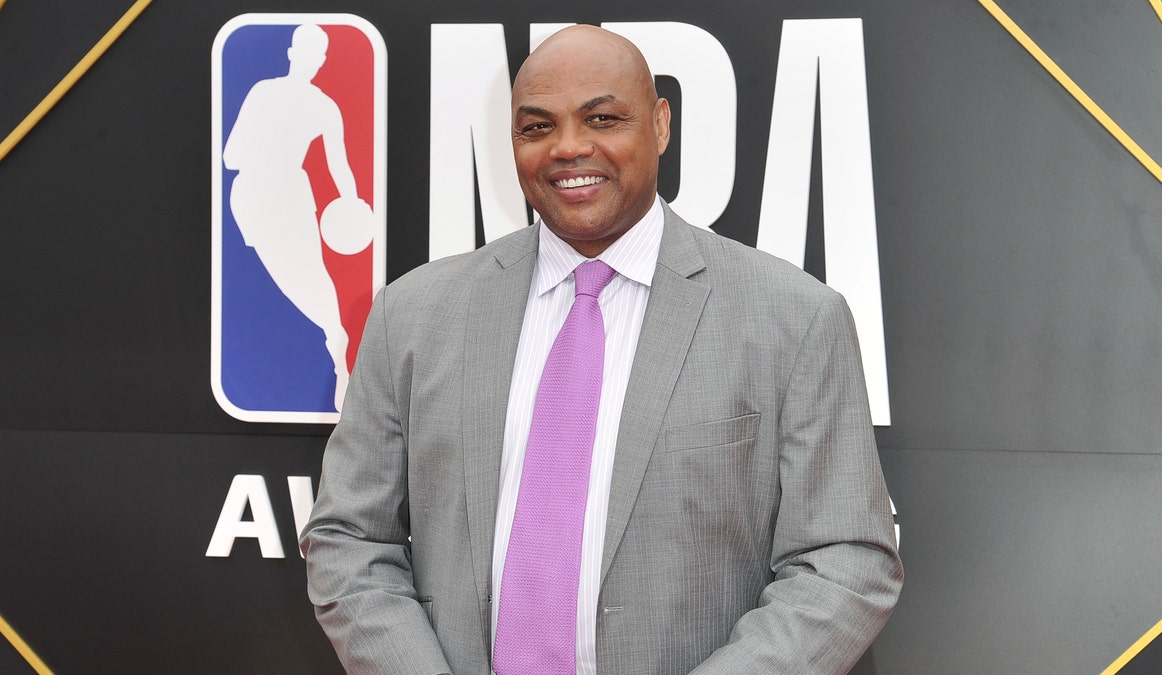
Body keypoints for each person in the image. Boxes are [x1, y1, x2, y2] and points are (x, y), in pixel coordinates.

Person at [302, 24, 902, 675]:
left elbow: (844, 562)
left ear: (661, 124)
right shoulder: (411, 316)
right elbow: (349, 539)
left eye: (603, 118)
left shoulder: (795, 319)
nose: (568, 147)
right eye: (536, 128)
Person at [224, 23, 368, 411]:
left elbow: (340, 168)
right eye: (308, 53)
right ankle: (333, 343)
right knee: (287, 279)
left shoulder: (319, 105)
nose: (311, 60)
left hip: (284, 196)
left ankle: (338, 351)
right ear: (296, 55)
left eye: (314, 54)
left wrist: (352, 205)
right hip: (256, 198)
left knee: (309, 276)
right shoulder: (271, 94)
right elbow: (229, 156)